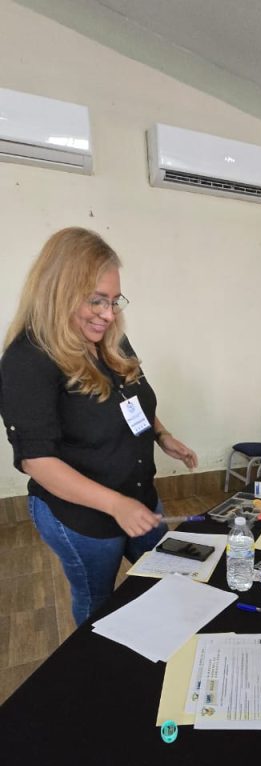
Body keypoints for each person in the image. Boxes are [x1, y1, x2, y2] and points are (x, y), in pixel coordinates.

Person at [0, 227, 197, 626]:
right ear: (58, 292)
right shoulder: (27, 360)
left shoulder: (111, 339)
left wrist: (161, 435)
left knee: (169, 579)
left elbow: (133, 398)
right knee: (97, 601)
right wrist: (115, 505)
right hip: (81, 517)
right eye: (96, 300)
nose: (108, 314)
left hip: (138, 495)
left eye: (113, 300)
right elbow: (37, 461)